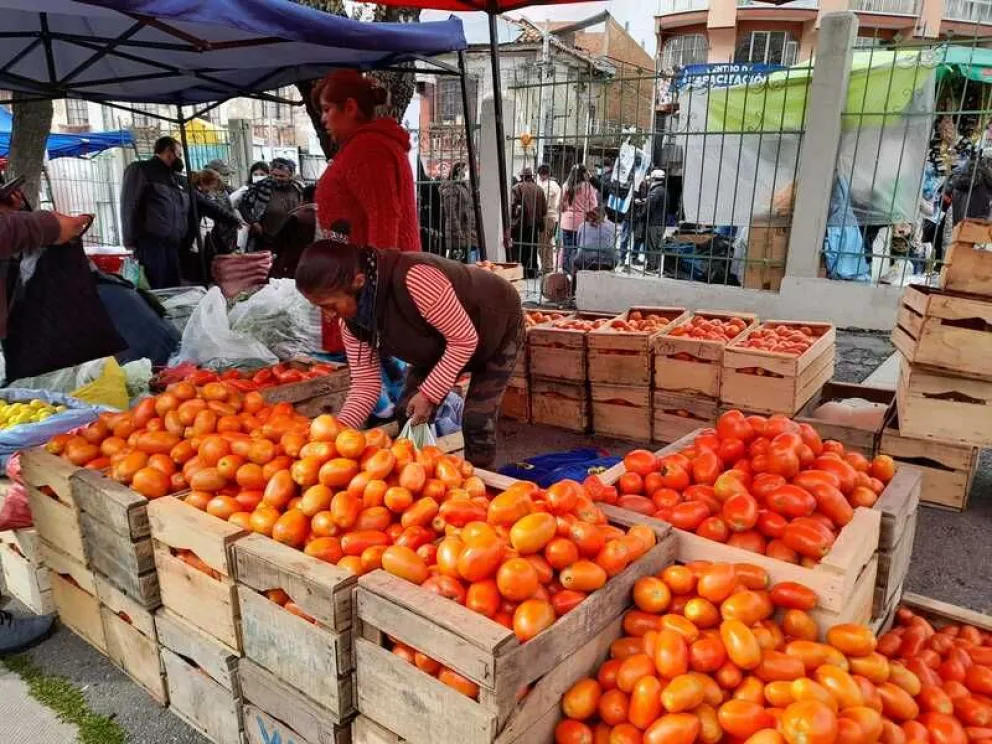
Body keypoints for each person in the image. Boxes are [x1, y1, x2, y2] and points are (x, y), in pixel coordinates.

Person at [295, 241, 524, 467]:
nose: (328, 316)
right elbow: (365, 385)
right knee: (408, 412)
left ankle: (481, 480)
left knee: (477, 421)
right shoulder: (353, 323)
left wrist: (429, 394)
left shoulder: (415, 279)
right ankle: (421, 474)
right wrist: (337, 433)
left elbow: (463, 340)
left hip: (496, 328)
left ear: (359, 282)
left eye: (330, 306)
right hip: (438, 344)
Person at [314, 70, 419, 252]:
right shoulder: (363, 145)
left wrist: (375, 269)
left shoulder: (368, 148)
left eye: (327, 109)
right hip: (358, 264)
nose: (323, 119)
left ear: (350, 107)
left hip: (366, 267)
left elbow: (384, 218)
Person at [120, 136, 190, 288]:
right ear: (168, 151)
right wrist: (129, 239)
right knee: (156, 287)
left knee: (172, 288)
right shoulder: (141, 169)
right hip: (150, 243)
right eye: (178, 154)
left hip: (172, 244)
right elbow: (129, 205)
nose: (180, 158)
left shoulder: (174, 178)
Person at [239, 158, 304, 253]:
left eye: (282, 176)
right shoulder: (261, 187)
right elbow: (244, 206)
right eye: (274, 175)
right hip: (266, 240)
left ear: (290, 176)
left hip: (290, 241)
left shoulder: (298, 189)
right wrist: (254, 222)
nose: (277, 178)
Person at [270, 184, 318, 279]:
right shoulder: (326, 217)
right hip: (317, 265)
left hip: (294, 265)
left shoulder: (297, 217)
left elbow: (279, 240)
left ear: (303, 198)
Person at [559, 164, 598, 273]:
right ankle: (575, 271)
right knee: (578, 248)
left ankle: (566, 272)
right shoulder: (588, 187)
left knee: (567, 248)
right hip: (581, 221)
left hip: (567, 221)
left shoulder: (566, 186)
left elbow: (560, 205)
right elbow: (593, 205)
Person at [510, 167, 546, 278]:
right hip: (534, 225)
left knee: (520, 249)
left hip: (520, 225)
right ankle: (532, 271)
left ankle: (521, 271)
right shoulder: (539, 189)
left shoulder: (516, 188)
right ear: (531, 176)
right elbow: (544, 210)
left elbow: (512, 206)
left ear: (521, 176)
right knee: (532, 248)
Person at [571, 207, 617, 292]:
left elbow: (579, 243)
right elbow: (613, 243)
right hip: (608, 261)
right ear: (605, 216)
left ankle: (572, 291)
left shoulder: (582, 226)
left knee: (575, 264)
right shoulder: (612, 226)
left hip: (586, 260)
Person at [439, 162, 477, 262]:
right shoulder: (451, 187)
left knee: (468, 263)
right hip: (458, 232)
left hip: (467, 230)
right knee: (458, 263)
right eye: (465, 170)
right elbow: (450, 212)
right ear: (459, 171)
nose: (467, 173)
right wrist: (457, 231)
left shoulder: (464, 186)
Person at [537, 164, 561, 274]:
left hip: (546, 217)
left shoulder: (549, 186)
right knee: (547, 243)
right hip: (551, 217)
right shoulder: (555, 186)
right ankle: (548, 266)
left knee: (543, 244)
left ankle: (546, 267)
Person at [644, 169, 669, 274]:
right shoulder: (664, 191)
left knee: (651, 245)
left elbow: (649, 208)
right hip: (662, 223)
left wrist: (642, 214)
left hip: (653, 223)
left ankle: (651, 267)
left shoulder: (655, 191)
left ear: (654, 179)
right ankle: (656, 266)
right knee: (658, 246)